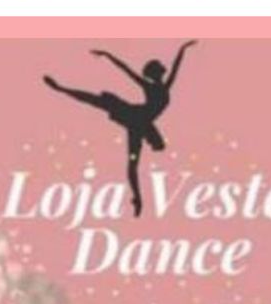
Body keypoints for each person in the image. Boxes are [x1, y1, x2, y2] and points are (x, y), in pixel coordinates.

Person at [43, 41, 197, 216]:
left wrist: (182, 49)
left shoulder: (166, 85)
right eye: (160, 67)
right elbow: (126, 69)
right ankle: (60, 88)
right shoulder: (150, 86)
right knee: (98, 102)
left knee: (137, 159)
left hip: (142, 123)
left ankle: (137, 198)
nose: (164, 68)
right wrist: (109, 56)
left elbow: (176, 66)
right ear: (156, 72)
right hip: (135, 116)